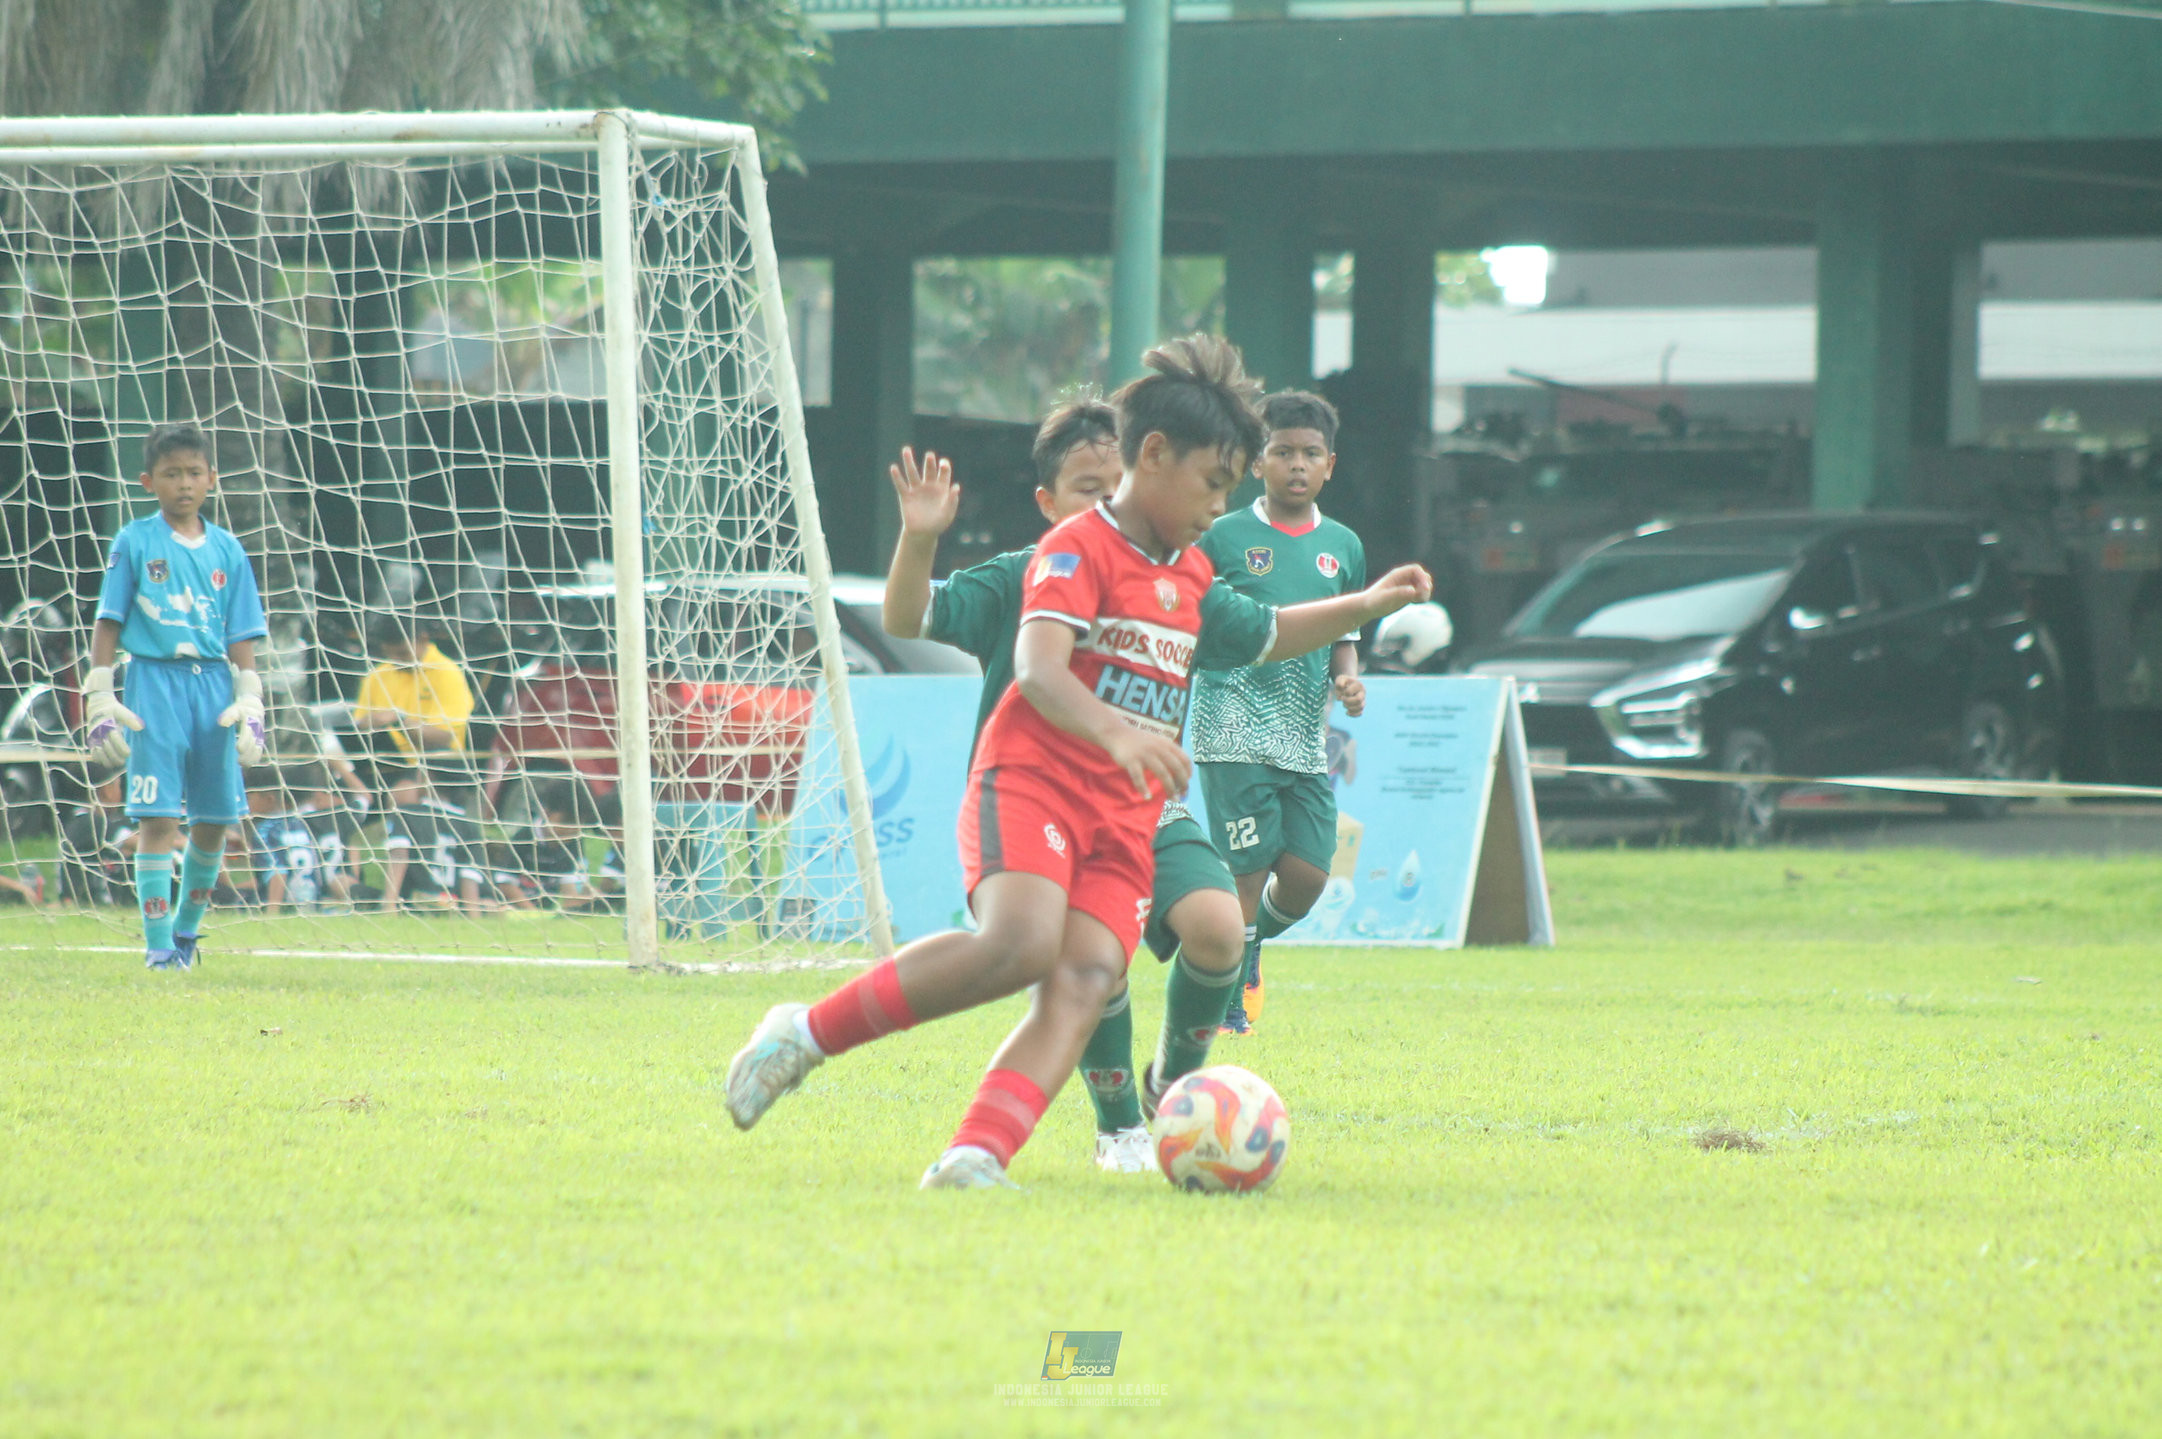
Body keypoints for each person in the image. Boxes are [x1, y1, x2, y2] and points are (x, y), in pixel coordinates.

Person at [724, 335, 1432, 1191]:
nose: (1221, 505)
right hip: (1032, 783)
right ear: (1157, 455)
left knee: (1092, 974)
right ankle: (804, 1032)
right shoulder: (1075, 547)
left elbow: (1272, 633)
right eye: (1214, 483)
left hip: (1126, 818)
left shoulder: (1195, 574)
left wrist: (1366, 602)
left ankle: (976, 1155)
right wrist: (1123, 734)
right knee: (1021, 945)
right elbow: (1038, 668)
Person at [881, 398, 1428, 1172]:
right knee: (1087, 960)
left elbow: (1268, 633)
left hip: (1144, 806)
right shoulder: (1020, 577)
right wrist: (918, 539)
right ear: (1047, 503)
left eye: (1118, 486)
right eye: (1085, 488)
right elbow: (910, 617)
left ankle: (1173, 1083)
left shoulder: (1175, 582)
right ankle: (1118, 1130)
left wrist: (1363, 608)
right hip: (1042, 803)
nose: (1107, 506)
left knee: (1218, 928)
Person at [1191, 391, 1367, 1034]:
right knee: (1246, 869)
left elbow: (1345, 628)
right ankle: (1224, 997)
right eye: (1283, 451)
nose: (1297, 464)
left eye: (1310, 454)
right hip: (1230, 722)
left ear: (1330, 465)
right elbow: (1194, 620)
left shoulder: (1343, 546)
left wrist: (1347, 680)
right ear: (1256, 462)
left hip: (1301, 735)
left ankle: (1245, 944)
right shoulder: (1222, 535)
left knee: (1307, 876)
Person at [82, 422, 269, 970]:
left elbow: (242, 634)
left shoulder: (230, 551)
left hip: (214, 686)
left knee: (215, 820)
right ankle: (159, 948)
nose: (183, 483)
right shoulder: (134, 541)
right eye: (171, 474)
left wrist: (252, 699)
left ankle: (187, 934)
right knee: (158, 819)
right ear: (148, 481)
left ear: (212, 478)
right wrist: (100, 695)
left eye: (193, 472)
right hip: (153, 684)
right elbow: (108, 622)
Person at [353, 616, 475, 760]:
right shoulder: (377, 676)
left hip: (438, 763)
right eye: (389, 654)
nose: (396, 661)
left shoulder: (447, 673)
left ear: (423, 639)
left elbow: (444, 739)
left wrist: (399, 720)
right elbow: (358, 725)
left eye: (403, 654)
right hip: (387, 762)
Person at [379, 764, 488, 913]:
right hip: (451, 906)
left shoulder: (407, 813)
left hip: (413, 904)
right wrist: (473, 915)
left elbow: (399, 856)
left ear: (427, 776)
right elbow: (469, 877)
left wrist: (389, 904)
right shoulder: (469, 825)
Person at [494, 777, 601, 912]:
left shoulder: (572, 842)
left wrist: (579, 904)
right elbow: (506, 884)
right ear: (546, 812)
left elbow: (568, 887)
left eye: (580, 824)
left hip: (545, 911)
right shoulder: (524, 837)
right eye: (567, 822)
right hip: (513, 907)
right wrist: (534, 914)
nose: (572, 830)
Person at [244, 769, 324, 914]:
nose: (245, 804)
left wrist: (272, 913)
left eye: (248, 798)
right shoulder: (300, 824)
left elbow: (278, 872)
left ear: (269, 799)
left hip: (285, 907)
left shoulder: (265, 830)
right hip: (310, 903)